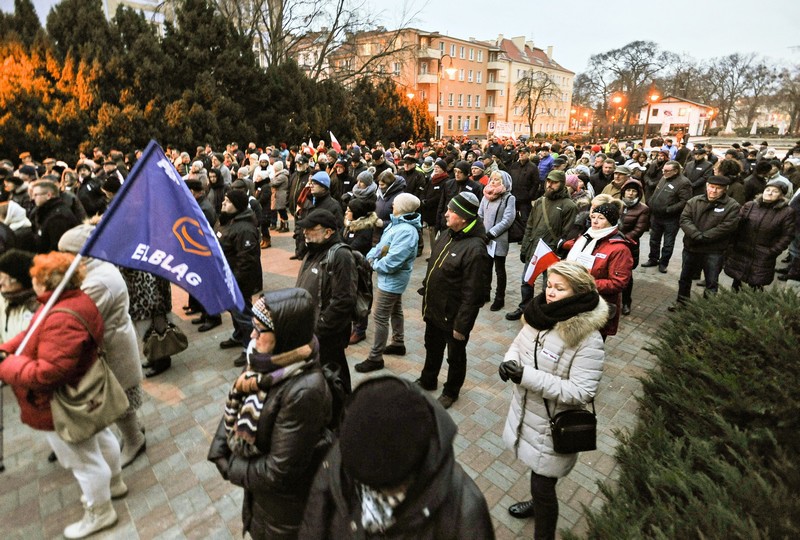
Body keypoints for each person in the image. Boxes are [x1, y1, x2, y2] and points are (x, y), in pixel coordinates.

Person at [0, 252, 126, 539]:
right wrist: (9, 347)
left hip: (64, 401)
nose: (30, 283)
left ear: (46, 283)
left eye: (34, 279)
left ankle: (101, 511)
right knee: (102, 438)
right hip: (85, 390)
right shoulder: (65, 302)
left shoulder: (61, 316)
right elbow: (35, 333)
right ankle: (114, 483)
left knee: (82, 460)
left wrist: (6, 365)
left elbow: (48, 373)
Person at [300, 376, 494, 538]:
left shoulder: (465, 510)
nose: (368, 494)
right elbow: (313, 525)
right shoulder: (348, 454)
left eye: (382, 489)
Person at [208, 288, 332, 540]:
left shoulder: (304, 391)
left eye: (259, 329)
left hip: (285, 513)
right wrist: (221, 443)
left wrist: (229, 465)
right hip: (262, 502)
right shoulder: (264, 359)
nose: (252, 336)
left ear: (285, 335)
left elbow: (279, 471)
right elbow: (240, 402)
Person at [499, 261, 607, 540]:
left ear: (578, 294)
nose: (550, 292)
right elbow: (519, 344)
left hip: (553, 425)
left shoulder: (587, 338)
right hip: (529, 414)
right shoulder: (541, 313)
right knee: (537, 476)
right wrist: (508, 362)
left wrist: (526, 376)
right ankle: (536, 504)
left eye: (559, 288)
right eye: (549, 285)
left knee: (543, 486)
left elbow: (582, 391)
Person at [58, 223, 147, 468]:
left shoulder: (98, 280)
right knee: (121, 396)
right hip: (112, 343)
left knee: (119, 400)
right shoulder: (92, 271)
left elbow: (81, 317)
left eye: (65, 252)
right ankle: (134, 430)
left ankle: (134, 440)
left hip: (113, 347)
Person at [416, 192, 491, 409]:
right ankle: (428, 379)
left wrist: (462, 326)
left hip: (454, 316)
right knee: (432, 346)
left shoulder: (476, 249)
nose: (446, 213)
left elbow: (473, 293)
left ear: (464, 218)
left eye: (452, 211)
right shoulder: (448, 233)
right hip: (435, 308)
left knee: (455, 357)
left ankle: (451, 391)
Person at [355, 194, 421, 373]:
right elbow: (382, 246)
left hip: (392, 280)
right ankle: (398, 343)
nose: (392, 205)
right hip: (390, 279)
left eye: (396, 203)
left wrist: (374, 264)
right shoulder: (397, 223)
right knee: (395, 309)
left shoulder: (406, 231)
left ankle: (375, 357)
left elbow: (393, 260)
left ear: (403, 207)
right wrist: (371, 255)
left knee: (379, 316)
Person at [295, 209, 357, 392]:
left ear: (328, 232)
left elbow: (344, 300)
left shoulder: (341, 256)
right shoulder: (314, 250)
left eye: (310, 228)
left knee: (335, 373)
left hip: (328, 333)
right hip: (313, 329)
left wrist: (319, 328)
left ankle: (343, 407)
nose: (305, 232)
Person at [507, 170, 577, 321]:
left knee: (549, 285)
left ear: (562, 184)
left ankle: (545, 311)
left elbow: (568, 233)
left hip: (551, 253)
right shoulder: (540, 201)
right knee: (526, 281)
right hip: (534, 249)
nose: (550, 185)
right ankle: (524, 307)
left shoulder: (569, 206)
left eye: (554, 182)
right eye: (548, 181)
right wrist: (525, 248)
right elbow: (530, 226)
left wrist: (558, 251)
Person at [563, 199, 633, 339]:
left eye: (601, 218)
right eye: (593, 217)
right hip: (575, 300)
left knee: (588, 347)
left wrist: (585, 283)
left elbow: (618, 283)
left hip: (596, 307)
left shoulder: (619, 249)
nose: (595, 221)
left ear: (611, 221)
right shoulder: (586, 237)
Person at [670, 176, 740, 310]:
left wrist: (704, 237)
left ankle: (707, 308)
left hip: (714, 250)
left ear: (725, 190)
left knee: (711, 282)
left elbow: (727, 226)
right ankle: (682, 302)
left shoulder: (732, 206)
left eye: (718, 188)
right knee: (685, 278)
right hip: (691, 247)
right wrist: (696, 235)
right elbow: (685, 219)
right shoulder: (694, 201)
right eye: (711, 187)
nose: (713, 191)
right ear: (707, 186)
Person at [217, 190, 263, 366]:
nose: (223, 203)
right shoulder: (228, 221)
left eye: (227, 201)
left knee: (244, 314)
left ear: (237, 205)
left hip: (238, 281)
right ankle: (239, 335)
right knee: (234, 309)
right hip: (227, 277)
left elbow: (247, 262)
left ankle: (250, 346)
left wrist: (235, 282)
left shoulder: (245, 229)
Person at [724, 180, 795, 290]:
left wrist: (773, 251)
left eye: (775, 191)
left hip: (763, 254)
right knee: (737, 281)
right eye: (767, 190)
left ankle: (753, 306)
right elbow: (737, 223)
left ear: (781, 196)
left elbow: (788, 235)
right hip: (742, 250)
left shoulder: (786, 212)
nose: (770, 193)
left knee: (756, 285)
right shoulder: (750, 205)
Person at [641, 161, 692, 273]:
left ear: (675, 171)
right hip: (656, 216)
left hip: (671, 219)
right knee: (654, 239)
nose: (664, 172)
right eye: (664, 170)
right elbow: (656, 192)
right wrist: (651, 202)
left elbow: (685, 201)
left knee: (668, 243)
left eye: (667, 171)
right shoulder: (664, 177)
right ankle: (653, 258)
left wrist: (669, 209)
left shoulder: (683, 183)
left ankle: (663, 263)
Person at [478, 170, 516, 311]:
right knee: (486, 267)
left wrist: (492, 233)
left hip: (498, 239)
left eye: (497, 180)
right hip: (485, 238)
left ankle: (499, 298)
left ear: (504, 182)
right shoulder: (486, 195)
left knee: (499, 270)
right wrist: (481, 232)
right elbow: (480, 215)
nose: (493, 181)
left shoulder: (508, 198)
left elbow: (508, 219)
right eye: (492, 179)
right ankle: (485, 293)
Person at [617, 179, 650, 315]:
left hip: (629, 246)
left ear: (638, 193)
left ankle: (626, 302)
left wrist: (621, 239)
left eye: (634, 191)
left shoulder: (643, 209)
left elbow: (638, 230)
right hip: (612, 244)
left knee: (626, 276)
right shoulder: (617, 204)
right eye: (628, 190)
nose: (630, 194)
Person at [0, 249, 38, 343]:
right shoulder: (2, 300)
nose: (0, 283)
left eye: (6, 278)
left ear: (20, 280)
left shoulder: (37, 306)